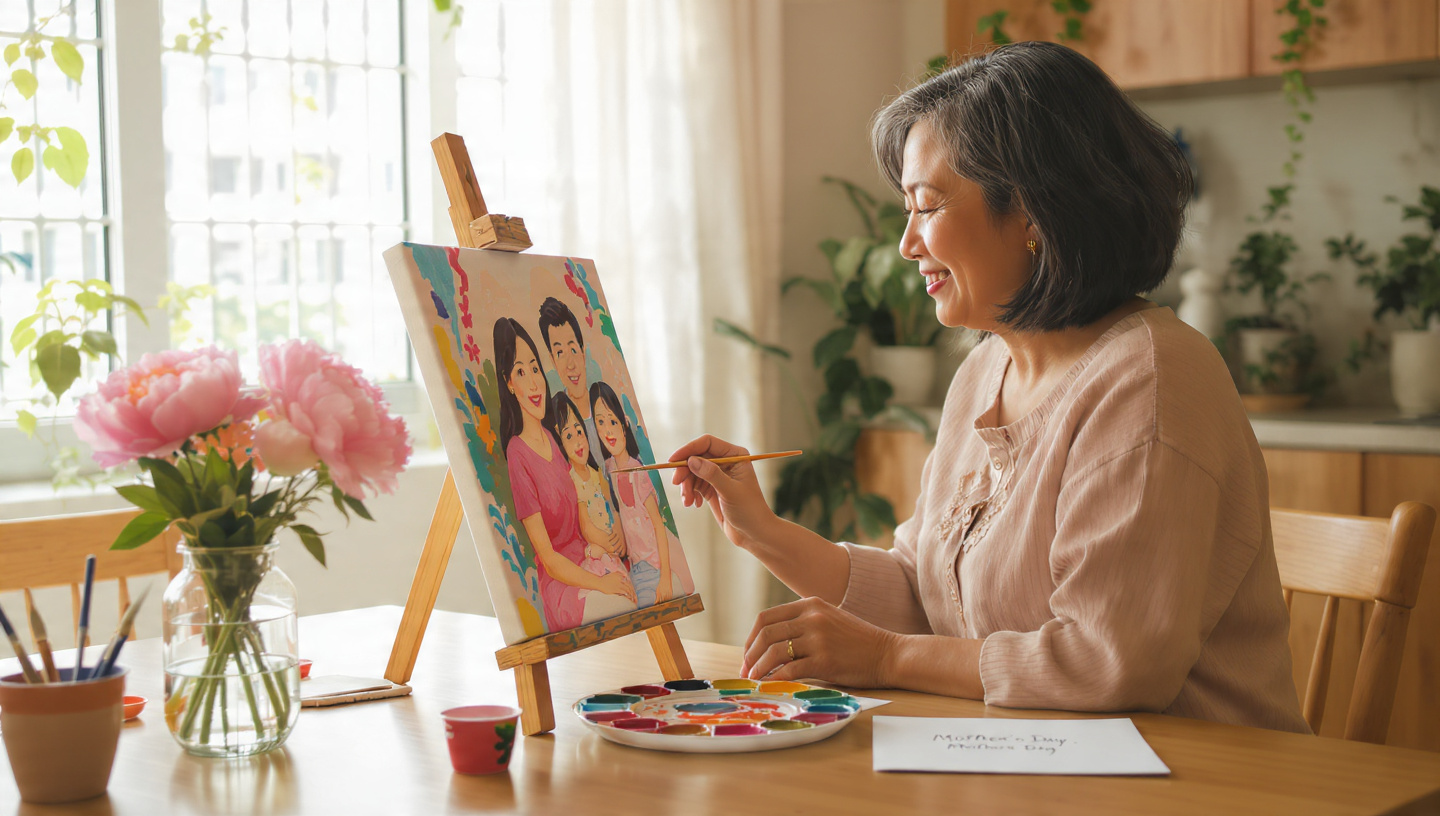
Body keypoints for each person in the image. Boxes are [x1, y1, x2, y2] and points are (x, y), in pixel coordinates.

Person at [670, 41, 1309, 733]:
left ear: (1033, 211)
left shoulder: (1152, 380)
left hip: (1197, 782)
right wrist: (759, 531)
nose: (907, 244)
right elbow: (925, 594)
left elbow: (1107, 662)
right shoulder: (985, 370)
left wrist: (885, 659)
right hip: (1031, 770)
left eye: (927, 205)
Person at [494, 317, 635, 632]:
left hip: (591, 558)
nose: (533, 382)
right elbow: (548, 558)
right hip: (564, 581)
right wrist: (601, 585)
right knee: (618, 602)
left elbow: (587, 502)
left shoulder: (555, 438)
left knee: (632, 594)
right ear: (508, 383)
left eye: (535, 368)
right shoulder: (517, 455)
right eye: (520, 372)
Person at [591, 381, 674, 608]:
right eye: (600, 422)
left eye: (612, 421)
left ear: (623, 423)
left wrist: (665, 579)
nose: (607, 430)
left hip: (653, 569)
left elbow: (658, 526)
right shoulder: (608, 469)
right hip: (634, 568)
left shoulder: (637, 472)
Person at [538, 297, 606, 471]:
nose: (571, 365)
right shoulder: (552, 424)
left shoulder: (605, 405)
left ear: (583, 352)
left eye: (573, 349)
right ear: (553, 360)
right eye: (560, 353)